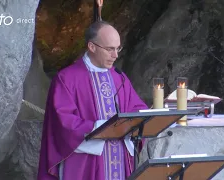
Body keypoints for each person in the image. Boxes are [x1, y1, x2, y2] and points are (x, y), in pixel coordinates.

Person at [37, 21, 148, 180]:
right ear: (92, 47)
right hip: (86, 164)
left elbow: (137, 108)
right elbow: (63, 122)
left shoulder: (119, 78)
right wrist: (100, 128)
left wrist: (142, 119)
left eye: (118, 48)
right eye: (110, 49)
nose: (115, 55)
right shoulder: (67, 78)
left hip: (120, 161)